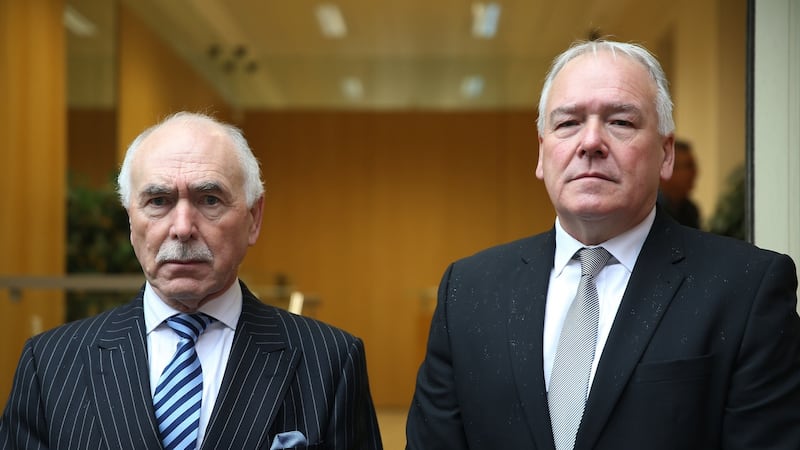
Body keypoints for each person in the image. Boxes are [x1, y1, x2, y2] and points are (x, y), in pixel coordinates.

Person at [406, 39, 800, 450]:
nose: (590, 142)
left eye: (621, 122)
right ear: (543, 154)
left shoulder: (745, 289)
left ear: (665, 154)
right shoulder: (468, 291)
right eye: (568, 123)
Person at [0, 112, 383, 450]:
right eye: (159, 201)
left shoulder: (331, 360)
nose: (182, 228)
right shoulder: (49, 364)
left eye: (210, 199)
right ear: (130, 221)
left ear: (254, 218)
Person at [657, 139, 700, 228]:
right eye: (688, 166)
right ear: (669, 169)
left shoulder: (690, 210)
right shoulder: (650, 209)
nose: (695, 172)